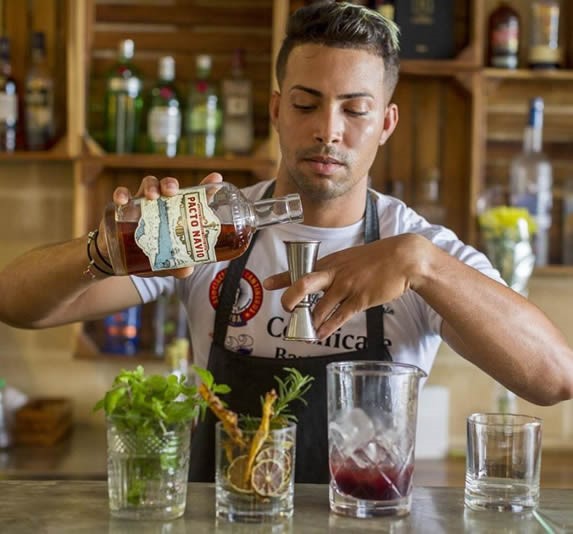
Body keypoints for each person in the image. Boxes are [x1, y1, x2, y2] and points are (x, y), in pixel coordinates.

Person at [0, 2, 572, 483]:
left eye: (355, 109)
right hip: (222, 517)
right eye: (305, 104)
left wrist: (421, 265)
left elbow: (554, 378)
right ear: (276, 110)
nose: (328, 129)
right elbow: (14, 303)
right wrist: (103, 251)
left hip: (362, 520)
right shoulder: (208, 227)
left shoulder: (420, 249)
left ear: (387, 125)